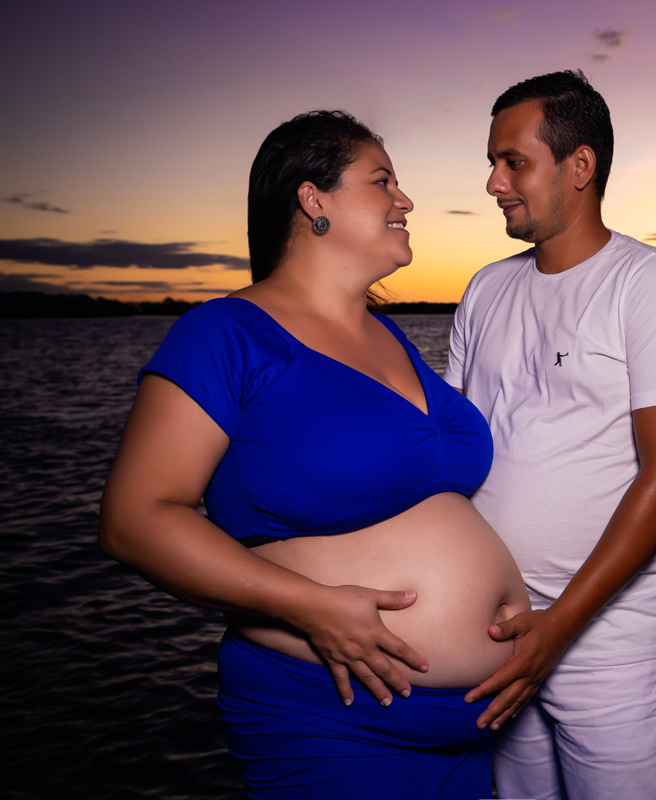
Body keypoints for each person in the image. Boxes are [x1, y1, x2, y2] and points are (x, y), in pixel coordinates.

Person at [99, 110, 530, 799]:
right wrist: (311, 607)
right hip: (334, 721)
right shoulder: (226, 334)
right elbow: (136, 519)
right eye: (382, 180)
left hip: (478, 728)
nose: (406, 200)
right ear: (313, 199)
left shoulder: (393, 341)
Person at [447, 71, 656, 800]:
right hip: (497, 631)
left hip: (610, 644)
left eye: (514, 162)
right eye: (493, 162)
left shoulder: (647, 283)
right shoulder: (484, 289)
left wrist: (558, 627)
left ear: (580, 166)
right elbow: (456, 451)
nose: (496, 182)